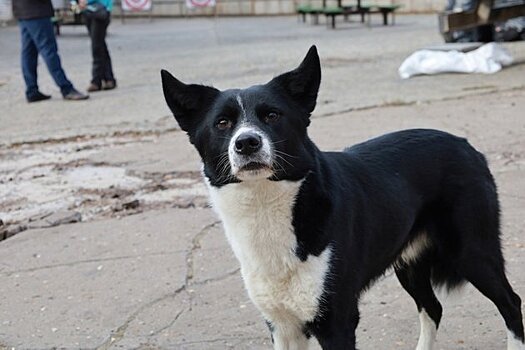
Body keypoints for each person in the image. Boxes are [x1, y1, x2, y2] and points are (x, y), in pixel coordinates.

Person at [12, 0, 89, 102]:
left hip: (22, 11)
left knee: (29, 52)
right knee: (48, 51)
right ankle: (66, 88)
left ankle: (32, 89)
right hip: (37, 11)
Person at [79, 0, 117, 92]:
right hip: (87, 10)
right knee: (100, 45)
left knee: (96, 46)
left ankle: (96, 80)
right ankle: (109, 78)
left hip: (101, 8)